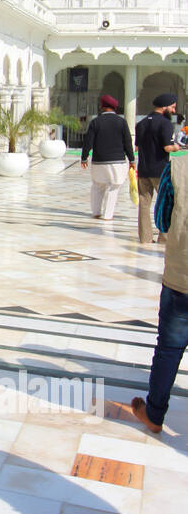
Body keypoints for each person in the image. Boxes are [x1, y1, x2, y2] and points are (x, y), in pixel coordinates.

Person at [132, 148, 188, 434]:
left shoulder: (179, 166)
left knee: (169, 348)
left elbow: (163, 220)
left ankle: (154, 414)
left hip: (183, 274)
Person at [80, 94, 134, 220]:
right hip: (117, 162)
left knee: (98, 185)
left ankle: (96, 212)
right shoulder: (121, 122)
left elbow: (88, 142)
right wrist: (132, 160)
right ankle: (108, 215)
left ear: (102, 107)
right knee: (114, 186)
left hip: (98, 161)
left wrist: (84, 157)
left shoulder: (95, 122)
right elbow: (127, 143)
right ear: (115, 108)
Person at [135, 93, 178, 244]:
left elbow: (137, 147)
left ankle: (145, 238)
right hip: (160, 171)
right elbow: (167, 147)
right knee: (166, 202)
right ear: (165, 106)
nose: (173, 111)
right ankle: (164, 237)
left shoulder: (142, 123)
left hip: (144, 170)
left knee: (144, 204)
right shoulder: (165, 123)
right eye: (172, 107)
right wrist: (176, 147)